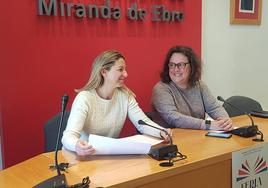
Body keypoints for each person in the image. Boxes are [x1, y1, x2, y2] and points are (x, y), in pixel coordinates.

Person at [62, 50, 170, 156]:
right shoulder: (84, 98)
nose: (126, 74)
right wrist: (77, 145)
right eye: (120, 69)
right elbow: (68, 136)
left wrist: (161, 132)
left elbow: (143, 123)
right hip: (81, 156)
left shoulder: (125, 95)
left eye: (125, 69)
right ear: (104, 72)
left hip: (107, 156)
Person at [151, 46, 233, 131]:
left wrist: (225, 121)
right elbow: (174, 118)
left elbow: (214, 108)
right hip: (171, 139)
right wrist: (207, 125)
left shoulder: (199, 85)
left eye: (180, 65)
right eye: (172, 65)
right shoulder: (161, 89)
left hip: (197, 136)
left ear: (192, 66)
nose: (175, 69)